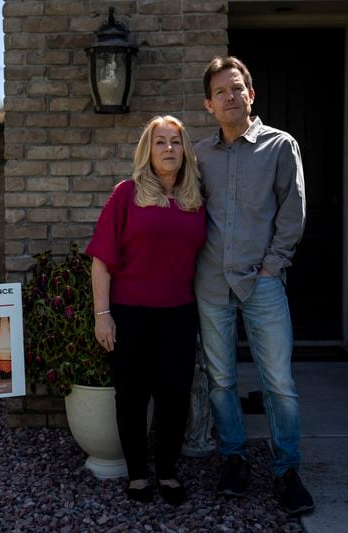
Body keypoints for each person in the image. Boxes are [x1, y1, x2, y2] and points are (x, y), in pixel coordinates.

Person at [194, 56, 314, 515]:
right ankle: (235, 461)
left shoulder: (281, 146)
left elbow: (293, 213)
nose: (230, 97)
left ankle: (286, 469)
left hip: (262, 283)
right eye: (221, 91)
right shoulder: (199, 154)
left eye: (237, 88)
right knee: (221, 380)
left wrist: (273, 265)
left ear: (251, 94)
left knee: (279, 383)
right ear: (209, 104)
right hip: (210, 284)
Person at [86, 115, 206, 506]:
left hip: (180, 313)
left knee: (175, 394)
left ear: (185, 150)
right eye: (160, 142)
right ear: (148, 150)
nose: (169, 149)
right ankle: (138, 473)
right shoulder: (126, 194)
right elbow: (101, 259)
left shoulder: (196, 199)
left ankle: (167, 472)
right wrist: (102, 315)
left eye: (176, 142)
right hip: (131, 313)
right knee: (132, 395)